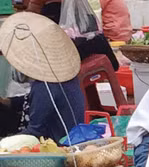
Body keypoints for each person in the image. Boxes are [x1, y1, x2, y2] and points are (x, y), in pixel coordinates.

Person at [0, 12, 85, 142]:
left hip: (54, 144)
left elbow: (34, 131)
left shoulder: (45, 87)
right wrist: (8, 101)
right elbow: (34, 102)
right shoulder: (62, 79)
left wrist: (5, 143)